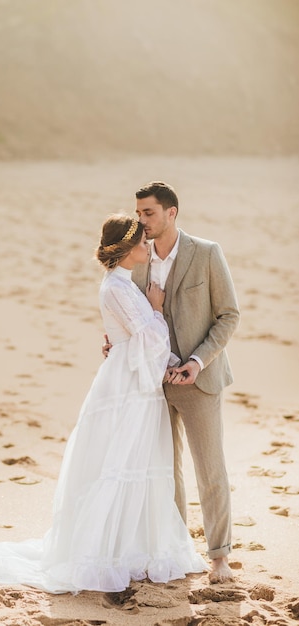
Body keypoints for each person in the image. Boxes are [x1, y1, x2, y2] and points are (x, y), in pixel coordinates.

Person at [0, 214, 207, 594]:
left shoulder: (122, 285)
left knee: (135, 461)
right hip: (127, 387)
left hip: (131, 382)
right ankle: (106, 552)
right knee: (121, 461)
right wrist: (156, 307)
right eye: (142, 242)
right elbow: (151, 340)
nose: (147, 247)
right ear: (127, 250)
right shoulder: (117, 289)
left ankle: (132, 547)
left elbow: (138, 340)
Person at [104, 182, 240, 584]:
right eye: (139, 213)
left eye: (148, 213)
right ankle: (176, 551)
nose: (141, 221)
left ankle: (220, 558)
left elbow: (229, 315)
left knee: (210, 469)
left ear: (171, 213)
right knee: (165, 471)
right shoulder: (138, 258)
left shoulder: (208, 253)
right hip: (153, 382)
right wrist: (116, 342)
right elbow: (133, 316)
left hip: (200, 381)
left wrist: (198, 361)